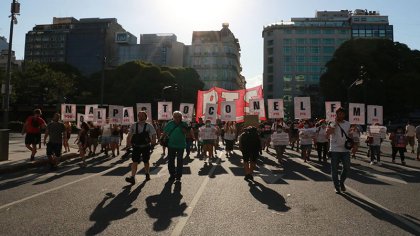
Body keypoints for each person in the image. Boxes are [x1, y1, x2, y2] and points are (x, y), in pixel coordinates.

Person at [125, 111, 157, 184]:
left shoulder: (149, 126)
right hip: (136, 146)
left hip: (146, 146)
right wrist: (128, 144)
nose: (141, 117)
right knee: (134, 161)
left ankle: (147, 174)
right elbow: (129, 135)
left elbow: (154, 134)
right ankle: (132, 177)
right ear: (138, 117)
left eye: (142, 115)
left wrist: (153, 142)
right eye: (139, 115)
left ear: (145, 117)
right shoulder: (134, 125)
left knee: (146, 161)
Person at [326, 107, 351, 194]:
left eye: (342, 114)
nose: (341, 115)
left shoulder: (348, 123)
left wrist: (353, 140)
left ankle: (341, 182)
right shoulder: (331, 122)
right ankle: (337, 187)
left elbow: (349, 134)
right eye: (339, 114)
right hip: (334, 149)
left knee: (347, 167)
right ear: (336, 114)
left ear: (344, 114)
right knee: (334, 169)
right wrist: (335, 124)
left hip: (345, 149)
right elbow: (328, 133)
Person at [163, 111, 188, 181]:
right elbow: (165, 132)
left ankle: (179, 175)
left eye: (178, 116)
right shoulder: (170, 123)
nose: (177, 118)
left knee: (180, 160)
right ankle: (172, 174)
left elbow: (187, 132)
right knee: (171, 160)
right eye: (175, 116)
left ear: (181, 117)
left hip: (181, 145)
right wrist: (161, 138)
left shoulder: (184, 124)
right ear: (173, 117)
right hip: (171, 145)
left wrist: (183, 129)